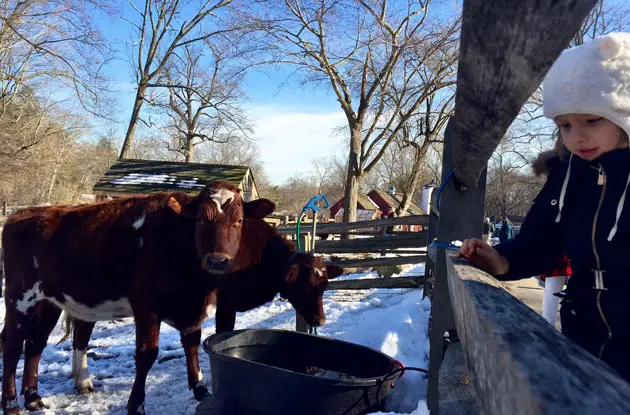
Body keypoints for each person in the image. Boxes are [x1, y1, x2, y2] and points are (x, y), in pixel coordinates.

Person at [458, 33, 630, 381]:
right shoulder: (568, 174)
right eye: (564, 125)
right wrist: (503, 260)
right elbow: (541, 240)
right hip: (582, 335)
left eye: (592, 120)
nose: (576, 136)